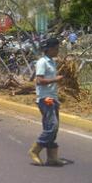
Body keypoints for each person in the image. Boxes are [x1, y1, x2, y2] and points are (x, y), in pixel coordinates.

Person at [28, 37, 64, 166]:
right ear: (49, 49)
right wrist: (56, 79)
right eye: (56, 48)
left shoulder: (52, 62)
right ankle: (35, 150)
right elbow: (39, 81)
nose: (57, 50)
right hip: (45, 98)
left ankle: (52, 157)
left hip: (52, 97)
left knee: (53, 127)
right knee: (52, 125)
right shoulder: (42, 62)